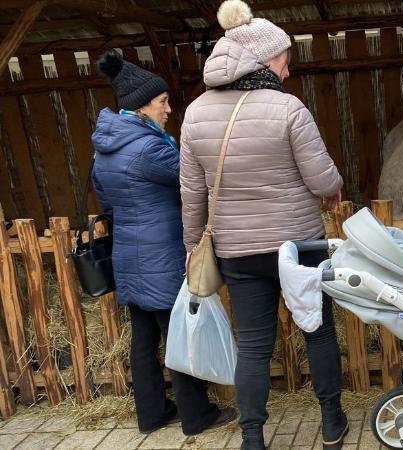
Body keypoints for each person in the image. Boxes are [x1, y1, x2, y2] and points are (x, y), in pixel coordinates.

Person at [179, 1, 346, 449]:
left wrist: (193, 244)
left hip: (237, 250)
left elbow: (192, 194)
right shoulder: (289, 109)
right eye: (284, 60)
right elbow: (322, 179)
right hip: (299, 247)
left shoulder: (194, 115)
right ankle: (332, 421)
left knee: (253, 347)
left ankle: (252, 436)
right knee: (318, 331)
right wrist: (334, 182)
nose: (287, 70)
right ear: (262, 60)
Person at [91, 51, 236, 436]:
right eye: (163, 102)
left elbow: (106, 202)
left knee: (143, 339)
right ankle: (196, 415)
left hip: (128, 254)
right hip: (162, 253)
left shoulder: (104, 149)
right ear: (142, 108)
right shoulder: (150, 148)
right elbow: (192, 182)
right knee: (180, 333)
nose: (169, 109)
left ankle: (152, 414)